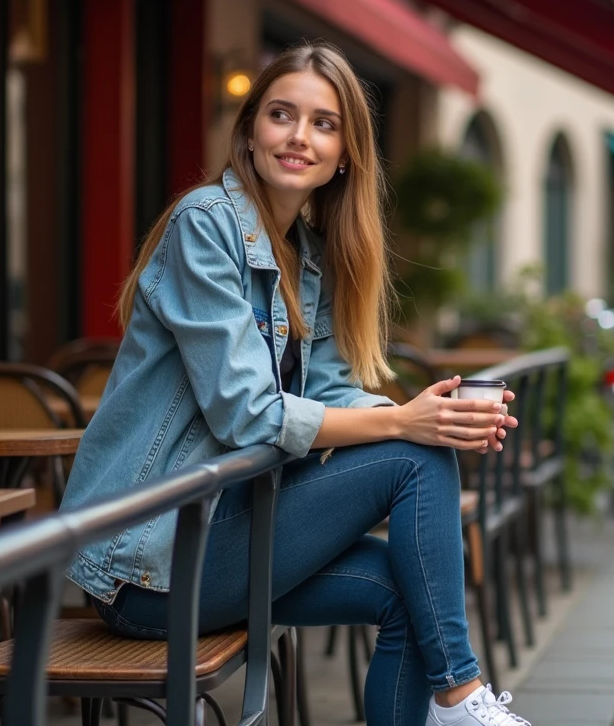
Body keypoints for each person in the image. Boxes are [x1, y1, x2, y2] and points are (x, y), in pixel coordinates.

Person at [59, 42, 529, 726]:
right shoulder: (205, 226)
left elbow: (335, 390)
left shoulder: (307, 256)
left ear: (345, 154)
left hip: (225, 532)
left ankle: (458, 696)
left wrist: (435, 414)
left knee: (407, 588)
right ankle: (460, 696)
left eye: (324, 123)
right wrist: (405, 425)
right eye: (282, 115)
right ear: (250, 131)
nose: (299, 137)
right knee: (410, 452)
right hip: (147, 563)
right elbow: (248, 415)